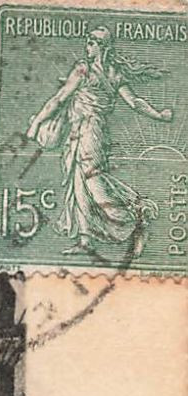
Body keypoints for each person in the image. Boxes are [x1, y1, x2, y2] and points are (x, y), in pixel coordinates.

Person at [26, 26, 174, 255]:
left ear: (104, 46)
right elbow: (60, 99)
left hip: (91, 131)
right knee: (79, 184)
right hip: (78, 131)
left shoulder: (90, 71)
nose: (88, 43)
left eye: (93, 40)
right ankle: (85, 241)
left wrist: (158, 115)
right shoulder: (98, 71)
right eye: (88, 39)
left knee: (94, 184)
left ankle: (138, 219)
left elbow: (133, 102)